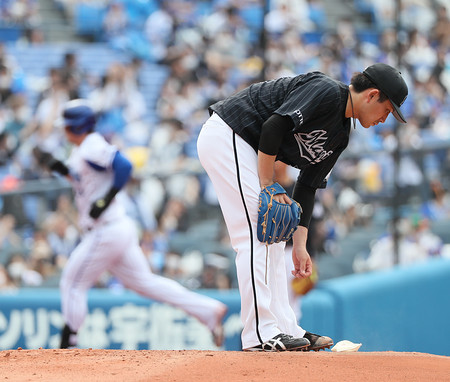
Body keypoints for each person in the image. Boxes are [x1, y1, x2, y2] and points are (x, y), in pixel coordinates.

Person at [197, 63, 408, 352]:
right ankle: (259, 334)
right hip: (230, 134)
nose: (385, 119)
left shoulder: (341, 134)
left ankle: (285, 327)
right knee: (255, 236)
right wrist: (269, 183)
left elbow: (307, 186)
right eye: (387, 110)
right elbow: (274, 125)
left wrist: (299, 245)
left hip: (248, 148)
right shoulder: (326, 92)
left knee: (272, 235)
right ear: (372, 95)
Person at [33, 99, 227, 349]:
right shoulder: (84, 148)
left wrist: (105, 199)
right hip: (116, 229)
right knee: (144, 283)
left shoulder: (92, 146)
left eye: (67, 126)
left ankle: (69, 342)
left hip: (106, 230)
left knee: (71, 283)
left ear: (77, 127)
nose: (64, 130)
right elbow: (83, 176)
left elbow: (124, 166)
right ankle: (208, 311)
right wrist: (56, 166)